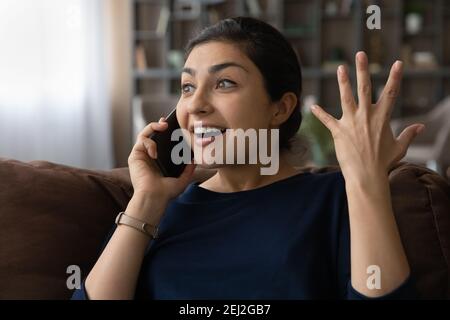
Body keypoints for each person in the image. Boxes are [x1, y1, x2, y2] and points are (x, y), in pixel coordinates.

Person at [72, 17, 423, 300]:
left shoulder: (334, 199)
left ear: (280, 108)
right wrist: (146, 200)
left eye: (224, 83)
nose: (195, 105)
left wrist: (366, 178)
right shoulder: (158, 209)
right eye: (188, 87)